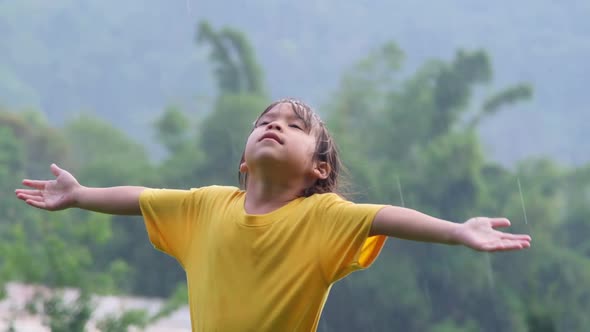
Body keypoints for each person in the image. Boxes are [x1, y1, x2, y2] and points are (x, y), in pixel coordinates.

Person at [15, 98, 531, 331]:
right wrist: (81, 195)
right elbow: (141, 197)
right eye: (265, 121)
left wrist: (459, 232)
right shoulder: (206, 205)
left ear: (318, 168)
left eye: (293, 126)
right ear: (244, 159)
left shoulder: (324, 216)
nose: (274, 126)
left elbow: (388, 217)